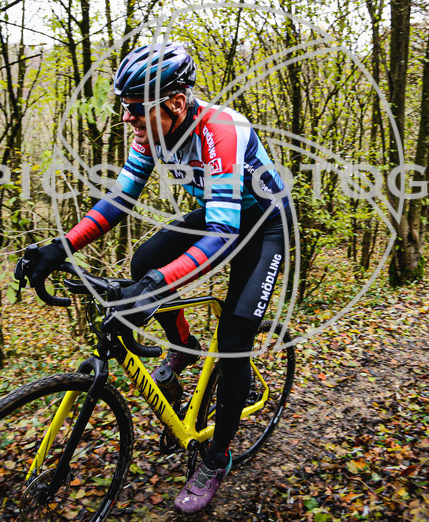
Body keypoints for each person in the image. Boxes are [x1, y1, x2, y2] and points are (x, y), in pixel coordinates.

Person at [15, 41, 292, 514]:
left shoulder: (220, 132)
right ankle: (182, 348)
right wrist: (61, 246)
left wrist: (157, 286)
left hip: (265, 226)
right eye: (125, 108)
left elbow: (226, 234)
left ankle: (216, 456)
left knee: (233, 338)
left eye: (134, 109)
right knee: (144, 260)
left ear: (176, 102)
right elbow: (118, 201)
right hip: (219, 214)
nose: (128, 119)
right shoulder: (150, 132)